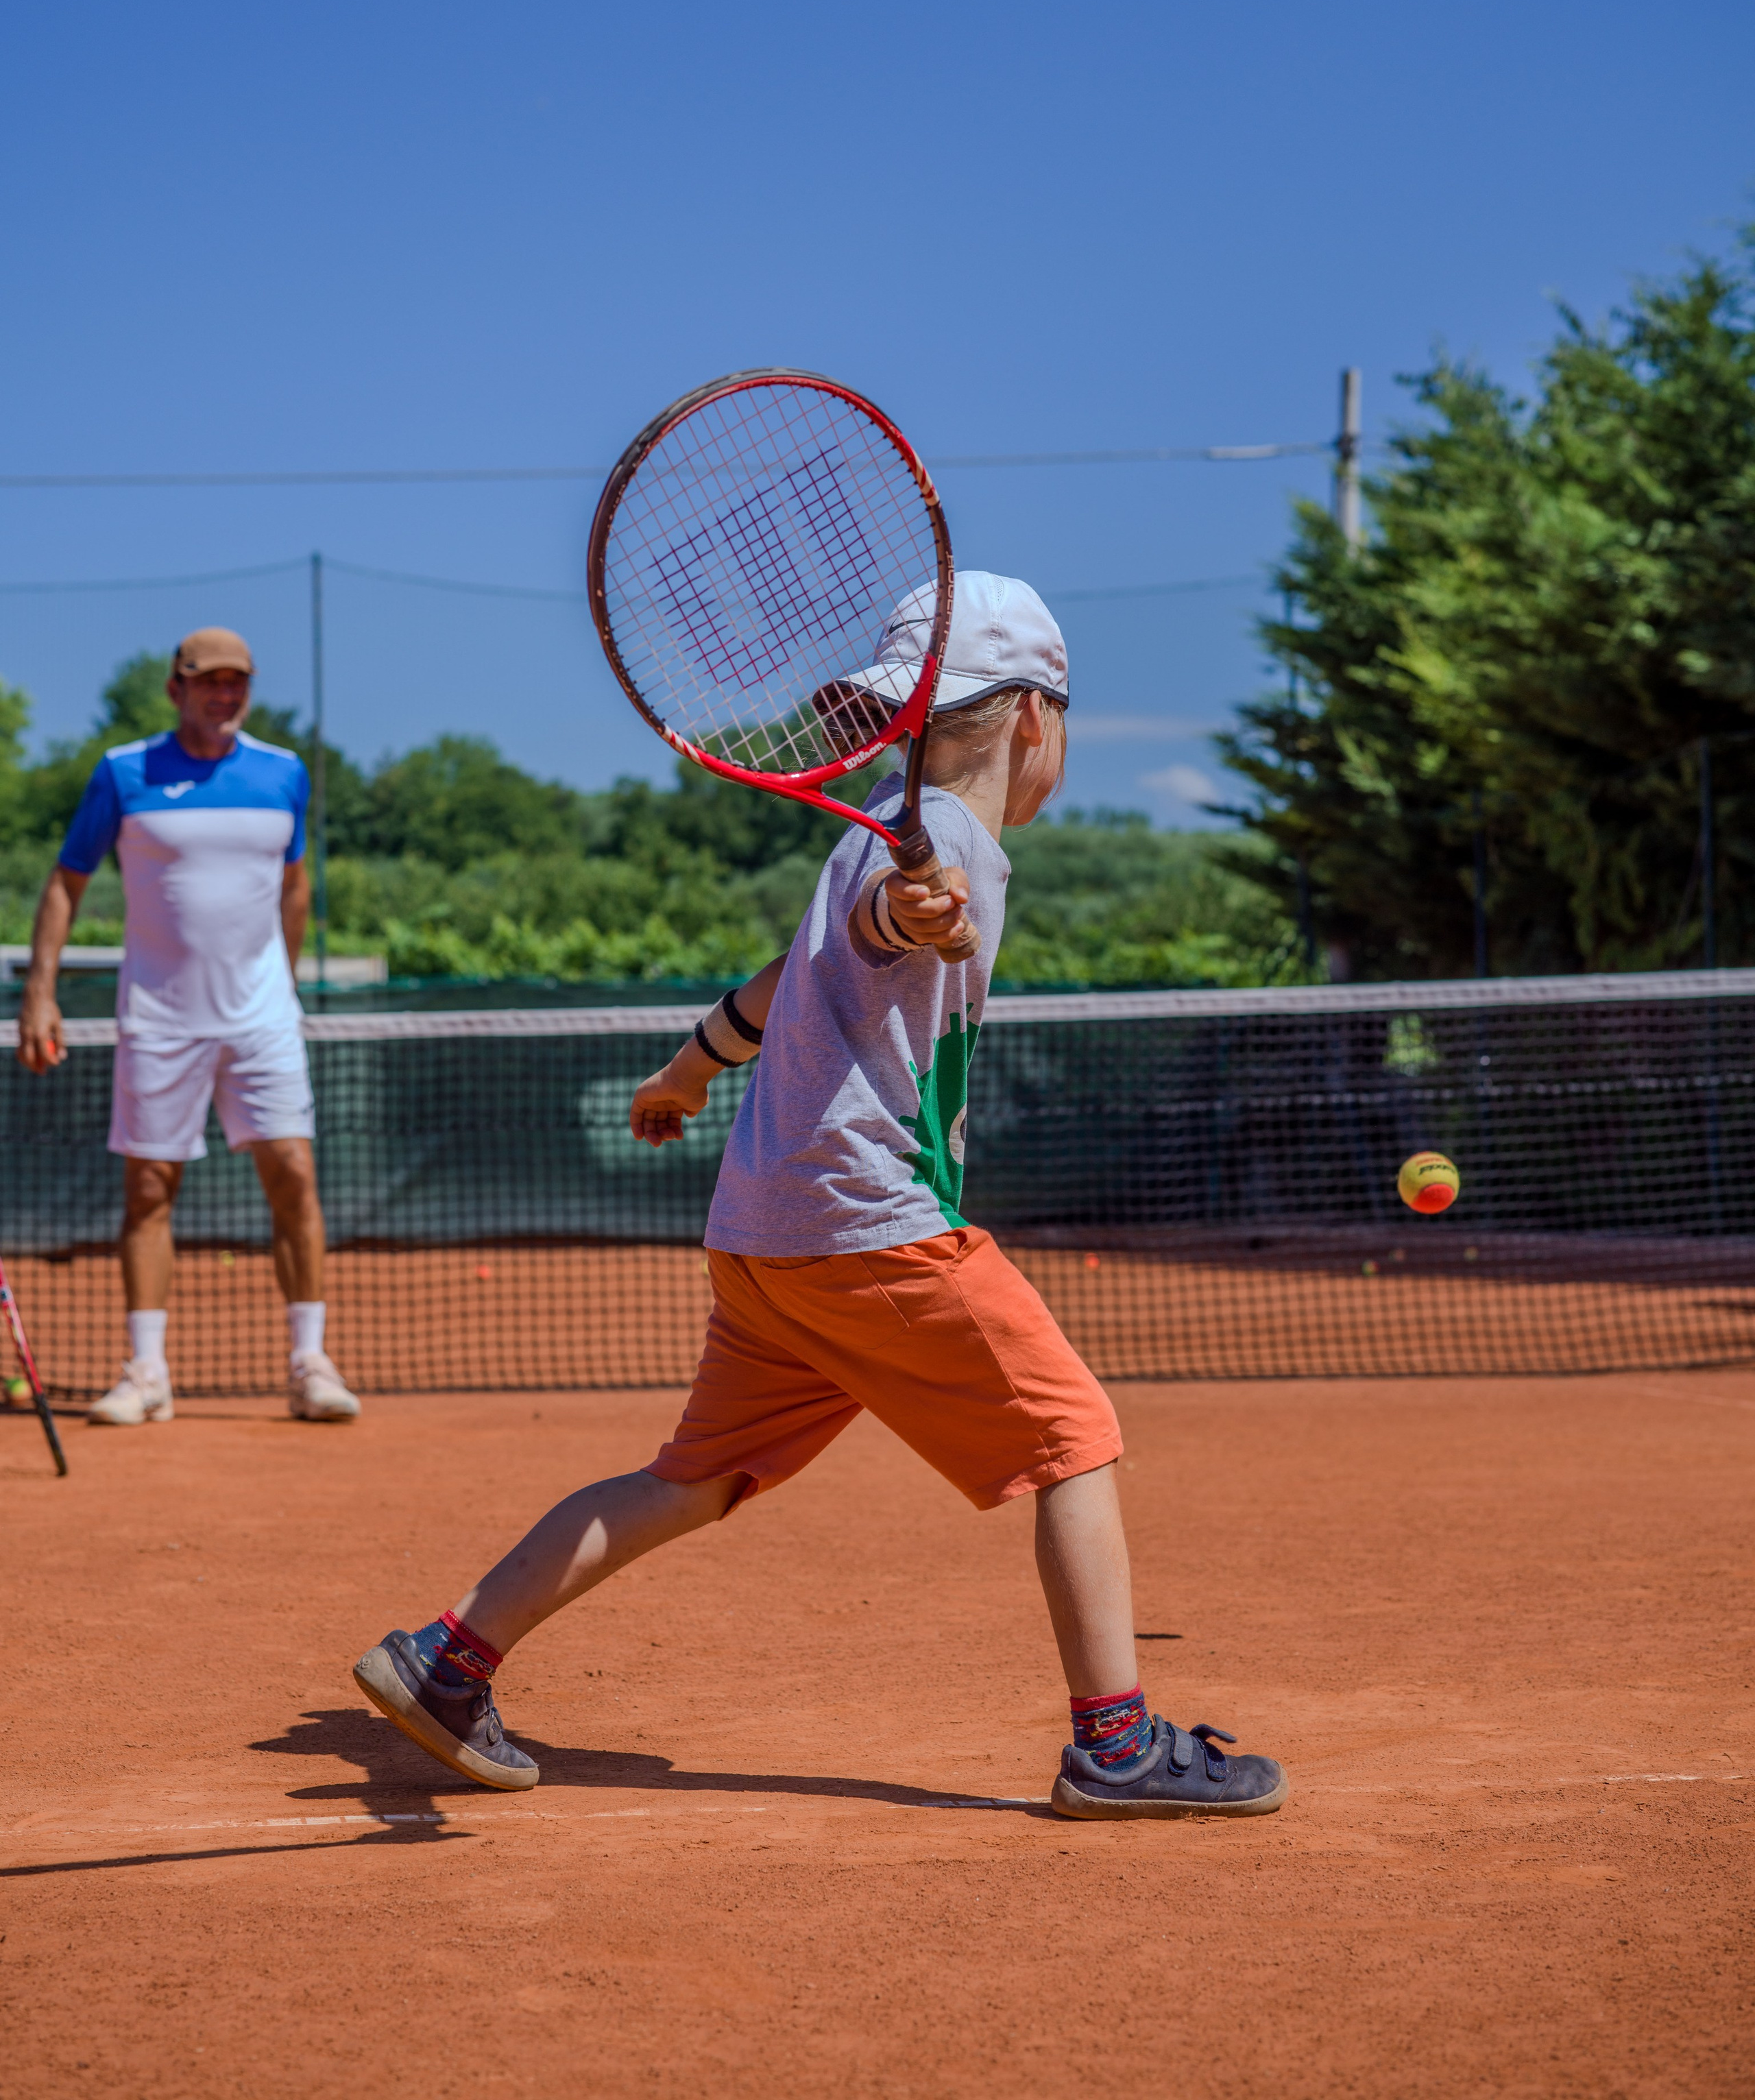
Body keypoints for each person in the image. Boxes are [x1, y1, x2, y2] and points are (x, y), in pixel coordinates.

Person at [352, 575, 1284, 1819]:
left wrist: (689, 1069)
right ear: (1035, 723)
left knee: (693, 1478)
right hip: (867, 1226)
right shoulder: (938, 844)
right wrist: (924, 916)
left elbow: (787, 976)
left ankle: (449, 1662)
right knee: (1076, 1437)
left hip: (763, 1239)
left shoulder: (888, 831)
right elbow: (902, 913)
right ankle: (1116, 1745)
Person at [16, 627, 359, 1426]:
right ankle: (146, 1373)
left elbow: (294, 883)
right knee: (147, 1189)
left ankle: (310, 1364)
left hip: (263, 1020)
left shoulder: (284, 773)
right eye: (209, 681)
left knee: (295, 1179)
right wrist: (41, 990)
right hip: (160, 1018)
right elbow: (66, 882)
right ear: (176, 688)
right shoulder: (123, 771)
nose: (225, 693)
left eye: (237, 681)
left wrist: (281, 980)